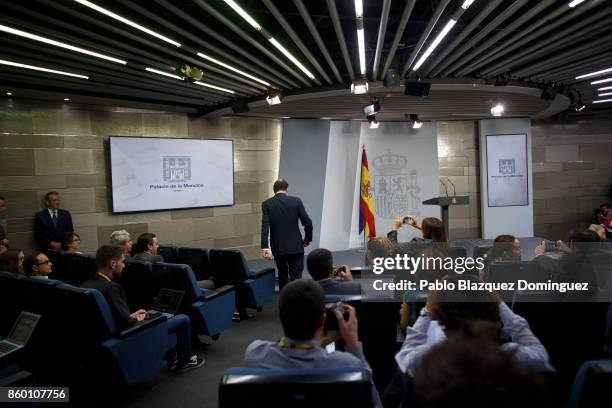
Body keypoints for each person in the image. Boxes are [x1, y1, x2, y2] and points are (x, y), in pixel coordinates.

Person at [244, 280, 381, 407]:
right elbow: (373, 402)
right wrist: (352, 343)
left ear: (281, 317)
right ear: (323, 320)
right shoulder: (349, 365)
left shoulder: (255, 353)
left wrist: (319, 342)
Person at [394, 274, 551, 376]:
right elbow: (540, 354)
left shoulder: (428, 360)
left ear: (440, 318)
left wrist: (426, 311)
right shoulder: (511, 357)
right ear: (493, 316)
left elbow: (405, 354)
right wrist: (498, 302)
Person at [81, 245, 204, 372]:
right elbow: (126, 322)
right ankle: (184, 362)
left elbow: (111, 316)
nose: (124, 265)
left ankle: (173, 359)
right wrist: (136, 319)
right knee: (182, 319)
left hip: (106, 336)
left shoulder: (86, 285)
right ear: (112, 264)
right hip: (128, 334)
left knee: (160, 317)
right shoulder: (111, 287)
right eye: (122, 262)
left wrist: (131, 316)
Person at [408, 325, 552, 408]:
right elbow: (538, 352)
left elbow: (406, 357)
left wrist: (426, 312)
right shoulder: (513, 363)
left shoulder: (433, 368)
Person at [260, 178, 313, 290]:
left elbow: (265, 226)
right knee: (296, 277)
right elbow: (308, 223)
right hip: (296, 246)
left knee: (282, 275)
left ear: (274, 190)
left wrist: (265, 248)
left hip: (278, 247)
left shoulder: (266, 204)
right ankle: (297, 301)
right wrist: (307, 239)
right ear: (286, 189)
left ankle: (284, 302)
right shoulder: (296, 201)